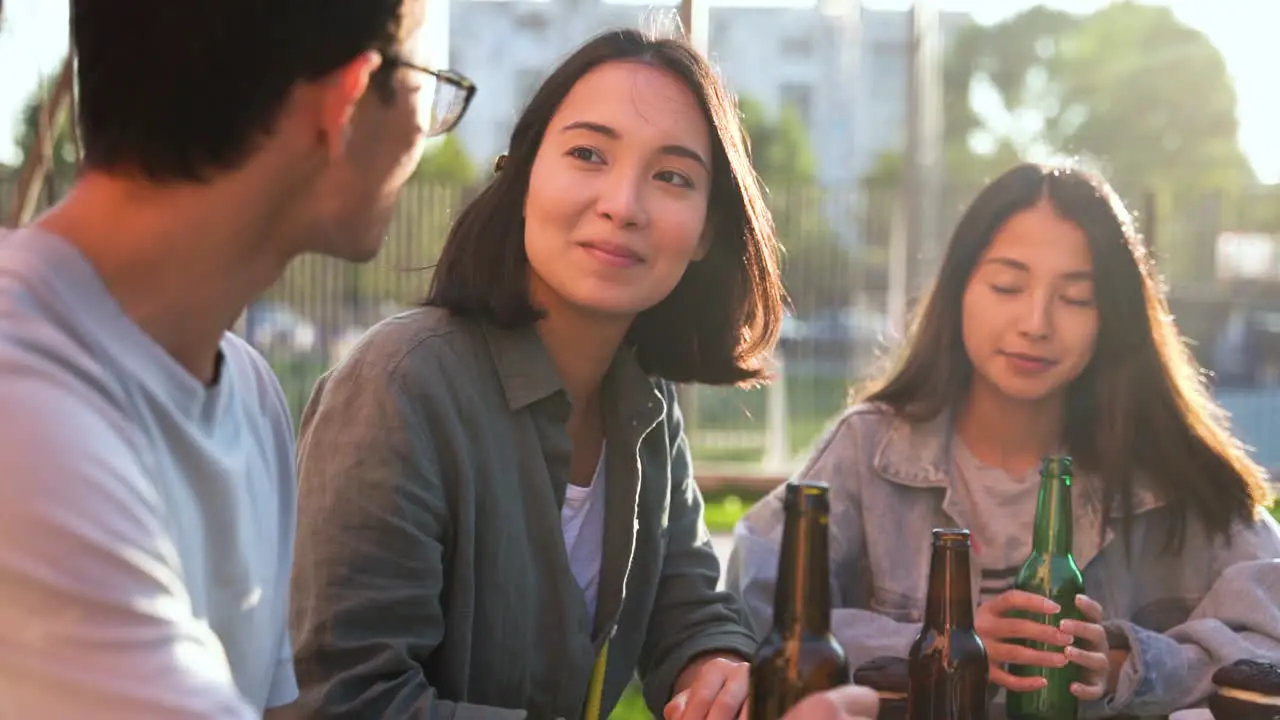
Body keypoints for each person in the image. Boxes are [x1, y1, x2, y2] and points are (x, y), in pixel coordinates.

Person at [288, 28, 785, 720]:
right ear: (522, 178)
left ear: (706, 231)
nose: (623, 205)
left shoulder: (642, 399)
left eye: (672, 176)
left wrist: (718, 666)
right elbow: (341, 700)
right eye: (588, 154)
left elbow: (687, 598)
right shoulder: (399, 386)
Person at [0, 0, 474, 717]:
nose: (428, 127)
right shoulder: (26, 417)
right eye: (429, 83)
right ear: (345, 102)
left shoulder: (248, 394)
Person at [728, 162, 1280, 719]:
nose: (1036, 323)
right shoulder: (869, 449)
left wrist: (1128, 663)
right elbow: (755, 605)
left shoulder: (1172, 470)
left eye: (1076, 297)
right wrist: (942, 645)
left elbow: (1270, 629)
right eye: (1008, 285)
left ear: (1113, 317)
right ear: (959, 287)